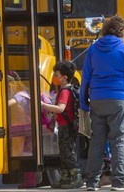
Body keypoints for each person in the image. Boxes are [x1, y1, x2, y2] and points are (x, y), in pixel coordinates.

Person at [79, 15, 124, 191]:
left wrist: (84, 103)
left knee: (97, 141)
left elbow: (85, 78)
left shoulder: (93, 49)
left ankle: (91, 182)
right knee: (118, 142)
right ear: (122, 32)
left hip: (97, 99)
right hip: (118, 99)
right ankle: (118, 182)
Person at [41, 61, 84, 189]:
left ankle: (76, 177)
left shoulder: (65, 91)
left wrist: (43, 105)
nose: (55, 76)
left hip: (66, 126)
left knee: (67, 152)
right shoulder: (68, 89)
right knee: (64, 152)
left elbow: (60, 108)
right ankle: (66, 177)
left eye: (57, 74)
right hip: (65, 125)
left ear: (64, 77)